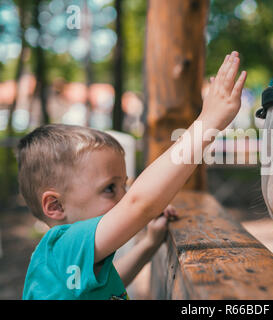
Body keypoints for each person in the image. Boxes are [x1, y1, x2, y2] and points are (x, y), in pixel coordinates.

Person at [19, 51, 247, 299]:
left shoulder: (72, 259)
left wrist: (149, 245)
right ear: (55, 205)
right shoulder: (62, 244)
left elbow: (110, 284)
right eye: (109, 188)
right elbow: (140, 204)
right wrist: (209, 121)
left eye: (124, 187)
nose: (124, 198)